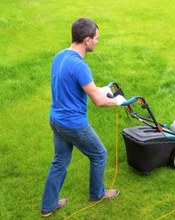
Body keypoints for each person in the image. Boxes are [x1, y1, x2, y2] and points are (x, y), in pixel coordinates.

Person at [41, 18, 126, 217]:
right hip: (73, 124)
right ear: (87, 40)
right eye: (96, 38)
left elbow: (79, 87)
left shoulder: (60, 56)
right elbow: (97, 101)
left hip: (56, 119)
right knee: (99, 154)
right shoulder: (80, 66)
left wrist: (103, 89)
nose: (97, 41)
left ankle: (48, 205)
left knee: (60, 160)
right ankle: (97, 194)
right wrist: (118, 101)